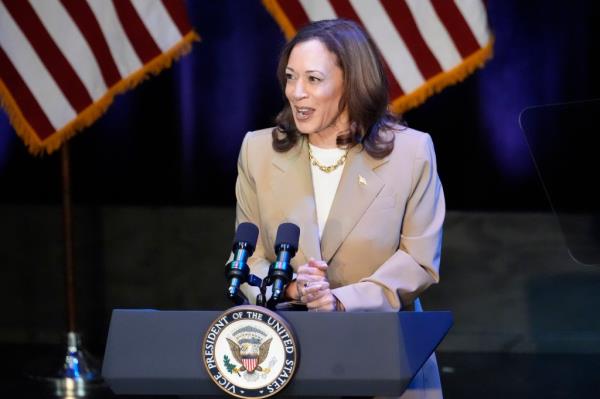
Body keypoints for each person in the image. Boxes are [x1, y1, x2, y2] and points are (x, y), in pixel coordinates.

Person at [235, 19, 445, 399]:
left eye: (313, 79)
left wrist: (340, 301)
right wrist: (293, 288)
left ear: (351, 82)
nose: (296, 93)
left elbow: (420, 261)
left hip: (388, 360)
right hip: (289, 359)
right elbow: (249, 257)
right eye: (290, 77)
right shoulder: (258, 151)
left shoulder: (411, 153)